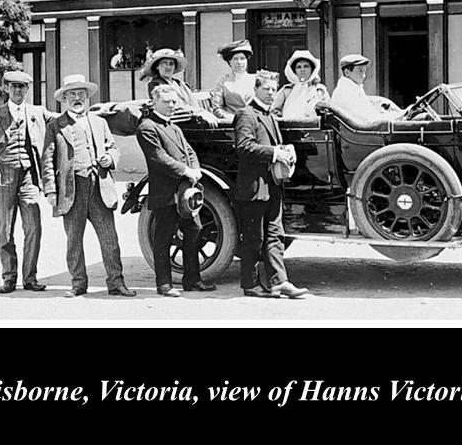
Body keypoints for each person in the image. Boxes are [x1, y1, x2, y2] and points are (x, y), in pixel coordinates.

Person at [42, 74, 136, 298]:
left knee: (109, 239)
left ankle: (116, 283)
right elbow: (47, 160)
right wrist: (50, 191)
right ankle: (78, 284)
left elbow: (113, 148)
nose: (77, 98)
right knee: (74, 240)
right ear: (64, 99)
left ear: (87, 98)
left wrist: (110, 159)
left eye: (81, 94)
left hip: (99, 186)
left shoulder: (99, 122)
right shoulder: (56, 126)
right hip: (71, 188)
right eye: (72, 94)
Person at [0, 68, 60, 294]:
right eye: (14, 86)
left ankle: (30, 277)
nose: (18, 91)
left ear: (28, 89)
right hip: (3, 177)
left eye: (22, 87)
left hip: (29, 177)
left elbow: (63, 120)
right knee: (5, 229)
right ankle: (9, 277)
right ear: (6, 89)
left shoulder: (38, 112)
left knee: (34, 227)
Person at [136, 84, 217, 297]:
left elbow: (188, 150)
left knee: (194, 230)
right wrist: (186, 170)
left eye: (174, 102)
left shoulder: (174, 127)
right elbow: (157, 157)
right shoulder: (147, 127)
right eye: (167, 102)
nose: (172, 106)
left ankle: (192, 280)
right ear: (154, 103)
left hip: (184, 191)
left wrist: (195, 169)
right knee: (163, 237)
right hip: (165, 192)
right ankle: (164, 284)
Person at [233, 70, 308, 299]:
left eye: (274, 90)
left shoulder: (270, 116)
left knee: (276, 236)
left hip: (272, 186)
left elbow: (274, 145)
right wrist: (275, 152)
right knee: (254, 239)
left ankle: (280, 282)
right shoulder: (246, 114)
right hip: (255, 188)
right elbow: (244, 147)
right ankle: (250, 284)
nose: (270, 94)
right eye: (266, 89)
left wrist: (286, 150)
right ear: (255, 89)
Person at [137, 47, 218, 126]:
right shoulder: (156, 85)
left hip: (194, 118)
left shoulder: (180, 83)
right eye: (164, 63)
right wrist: (199, 112)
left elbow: (192, 100)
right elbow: (172, 106)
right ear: (157, 66)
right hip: (177, 123)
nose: (168, 67)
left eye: (171, 64)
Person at [329, 54, 406, 124]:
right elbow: (365, 118)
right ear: (347, 72)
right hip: (360, 134)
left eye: (364, 71)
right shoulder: (345, 91)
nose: (364, 75)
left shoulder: (353, 88)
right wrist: (395, 117)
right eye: (360, 71)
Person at [272, 49, 330, 120]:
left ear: (312, 69)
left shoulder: (320, 90)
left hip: (313, 129)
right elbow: (274, 111)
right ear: (294, 71)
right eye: (299, 67)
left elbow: (327, 112)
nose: (302, 70)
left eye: (306, 66)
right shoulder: (286, 90)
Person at [209, 39, 256, 123]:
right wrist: (234, 118)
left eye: (242, 58)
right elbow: (217, 108)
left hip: (255, 122)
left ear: (247, 60)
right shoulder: (223, 82)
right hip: (233, 124)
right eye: (235, 59)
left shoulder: (255, 79)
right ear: (230, 62)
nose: (239, 62)